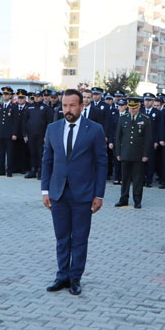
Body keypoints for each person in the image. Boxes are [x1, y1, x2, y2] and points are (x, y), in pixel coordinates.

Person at [41, 89, 107, 296]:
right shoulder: (53, 129)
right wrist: (45, 190)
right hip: (58, 193)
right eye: (64, 105)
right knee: (61, 237)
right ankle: (61, 276)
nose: (67, 110)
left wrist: (99, 195)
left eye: (72, 105)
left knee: (79, 238)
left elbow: (101, 163)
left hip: (83, 194)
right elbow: (47, 161)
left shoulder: (95, 130)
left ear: (81, 106)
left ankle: (75, 278)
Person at [114, 97, 152, 209]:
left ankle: (137, 200)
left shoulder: (145, 119)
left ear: (139, 106)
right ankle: (123, 199)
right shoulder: (123, 118)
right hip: (125, 153)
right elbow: (118, 137)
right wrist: (118, 153)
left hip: (138, 154)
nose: (132, 110)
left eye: (134, 108)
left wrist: (145, 154)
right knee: (124, 179)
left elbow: (148, 139)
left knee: (137, 179)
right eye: (130, 107)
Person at [23, 90, 53, 179]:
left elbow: (49, 122)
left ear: (42, 97)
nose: (36, 98)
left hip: (41, 135)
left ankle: (41, 171)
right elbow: (24, 121)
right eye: (35, 96)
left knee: (41, 153)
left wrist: (46, 135)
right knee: (32, 153)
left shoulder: (46, 108)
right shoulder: (29, 107)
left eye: (38, 96)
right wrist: (25, 134)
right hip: (31, 135)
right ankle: (33, 170)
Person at [0, 86, 18, 177]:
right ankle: (1, 170)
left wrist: (14, 133)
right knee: (0, 153)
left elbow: (16, 122)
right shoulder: (0, 106)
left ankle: (9, 170)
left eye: (7, 94)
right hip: (0, 133)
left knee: (10, 153)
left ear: (10, 95)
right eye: (4, 94)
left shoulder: (14, 106)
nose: (5, 96)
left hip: (9, 134)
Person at [140, 92, 161, 188]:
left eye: (149, 100)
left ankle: (148, 180)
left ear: (153, 101)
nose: (147, 102)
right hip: (141, 140)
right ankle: (141, 179)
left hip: (152, 140)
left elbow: (159, 128)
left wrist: (156, 141)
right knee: (140, 161)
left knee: (151, 161)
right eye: (146, 100)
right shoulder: (140, 111)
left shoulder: (157, 113)